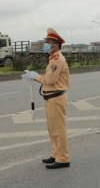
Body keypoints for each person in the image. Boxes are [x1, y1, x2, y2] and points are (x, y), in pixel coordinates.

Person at [21, 28, 70, 169]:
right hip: (51, 98)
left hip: (56, 98)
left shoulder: (57, 59)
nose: (46, 44)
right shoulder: (53, 58)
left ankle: (63, 159)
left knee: (58, 129)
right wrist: (35, 77)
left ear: (56, 44)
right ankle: (56, 154)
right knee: (52, 129)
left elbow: (50, 79)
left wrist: (35, 76)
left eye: (48, 42)